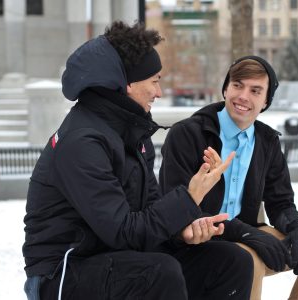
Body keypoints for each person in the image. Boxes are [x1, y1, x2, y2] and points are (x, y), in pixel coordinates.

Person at [22, 21, 254, 300]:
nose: (159, 91)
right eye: (155, 80)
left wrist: (182, 232)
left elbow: (148, 212)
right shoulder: (82, 142)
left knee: (231, 261)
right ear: (127, 84)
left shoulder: (132, 134)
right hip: (62, 273)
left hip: (118, 259)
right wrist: (189, 197)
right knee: (159, 272)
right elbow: (123, 232)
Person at [159, 55, 298, 300]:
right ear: (226, 88)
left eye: (255, 90)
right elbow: (176, 207)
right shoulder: (188, 134)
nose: (243, 96)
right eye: (238, 85)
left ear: (266, 100)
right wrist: (247, 233)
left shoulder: (266, 142)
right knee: (248, 259)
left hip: (248, 236)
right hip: (199, 241)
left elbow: (281, 203)